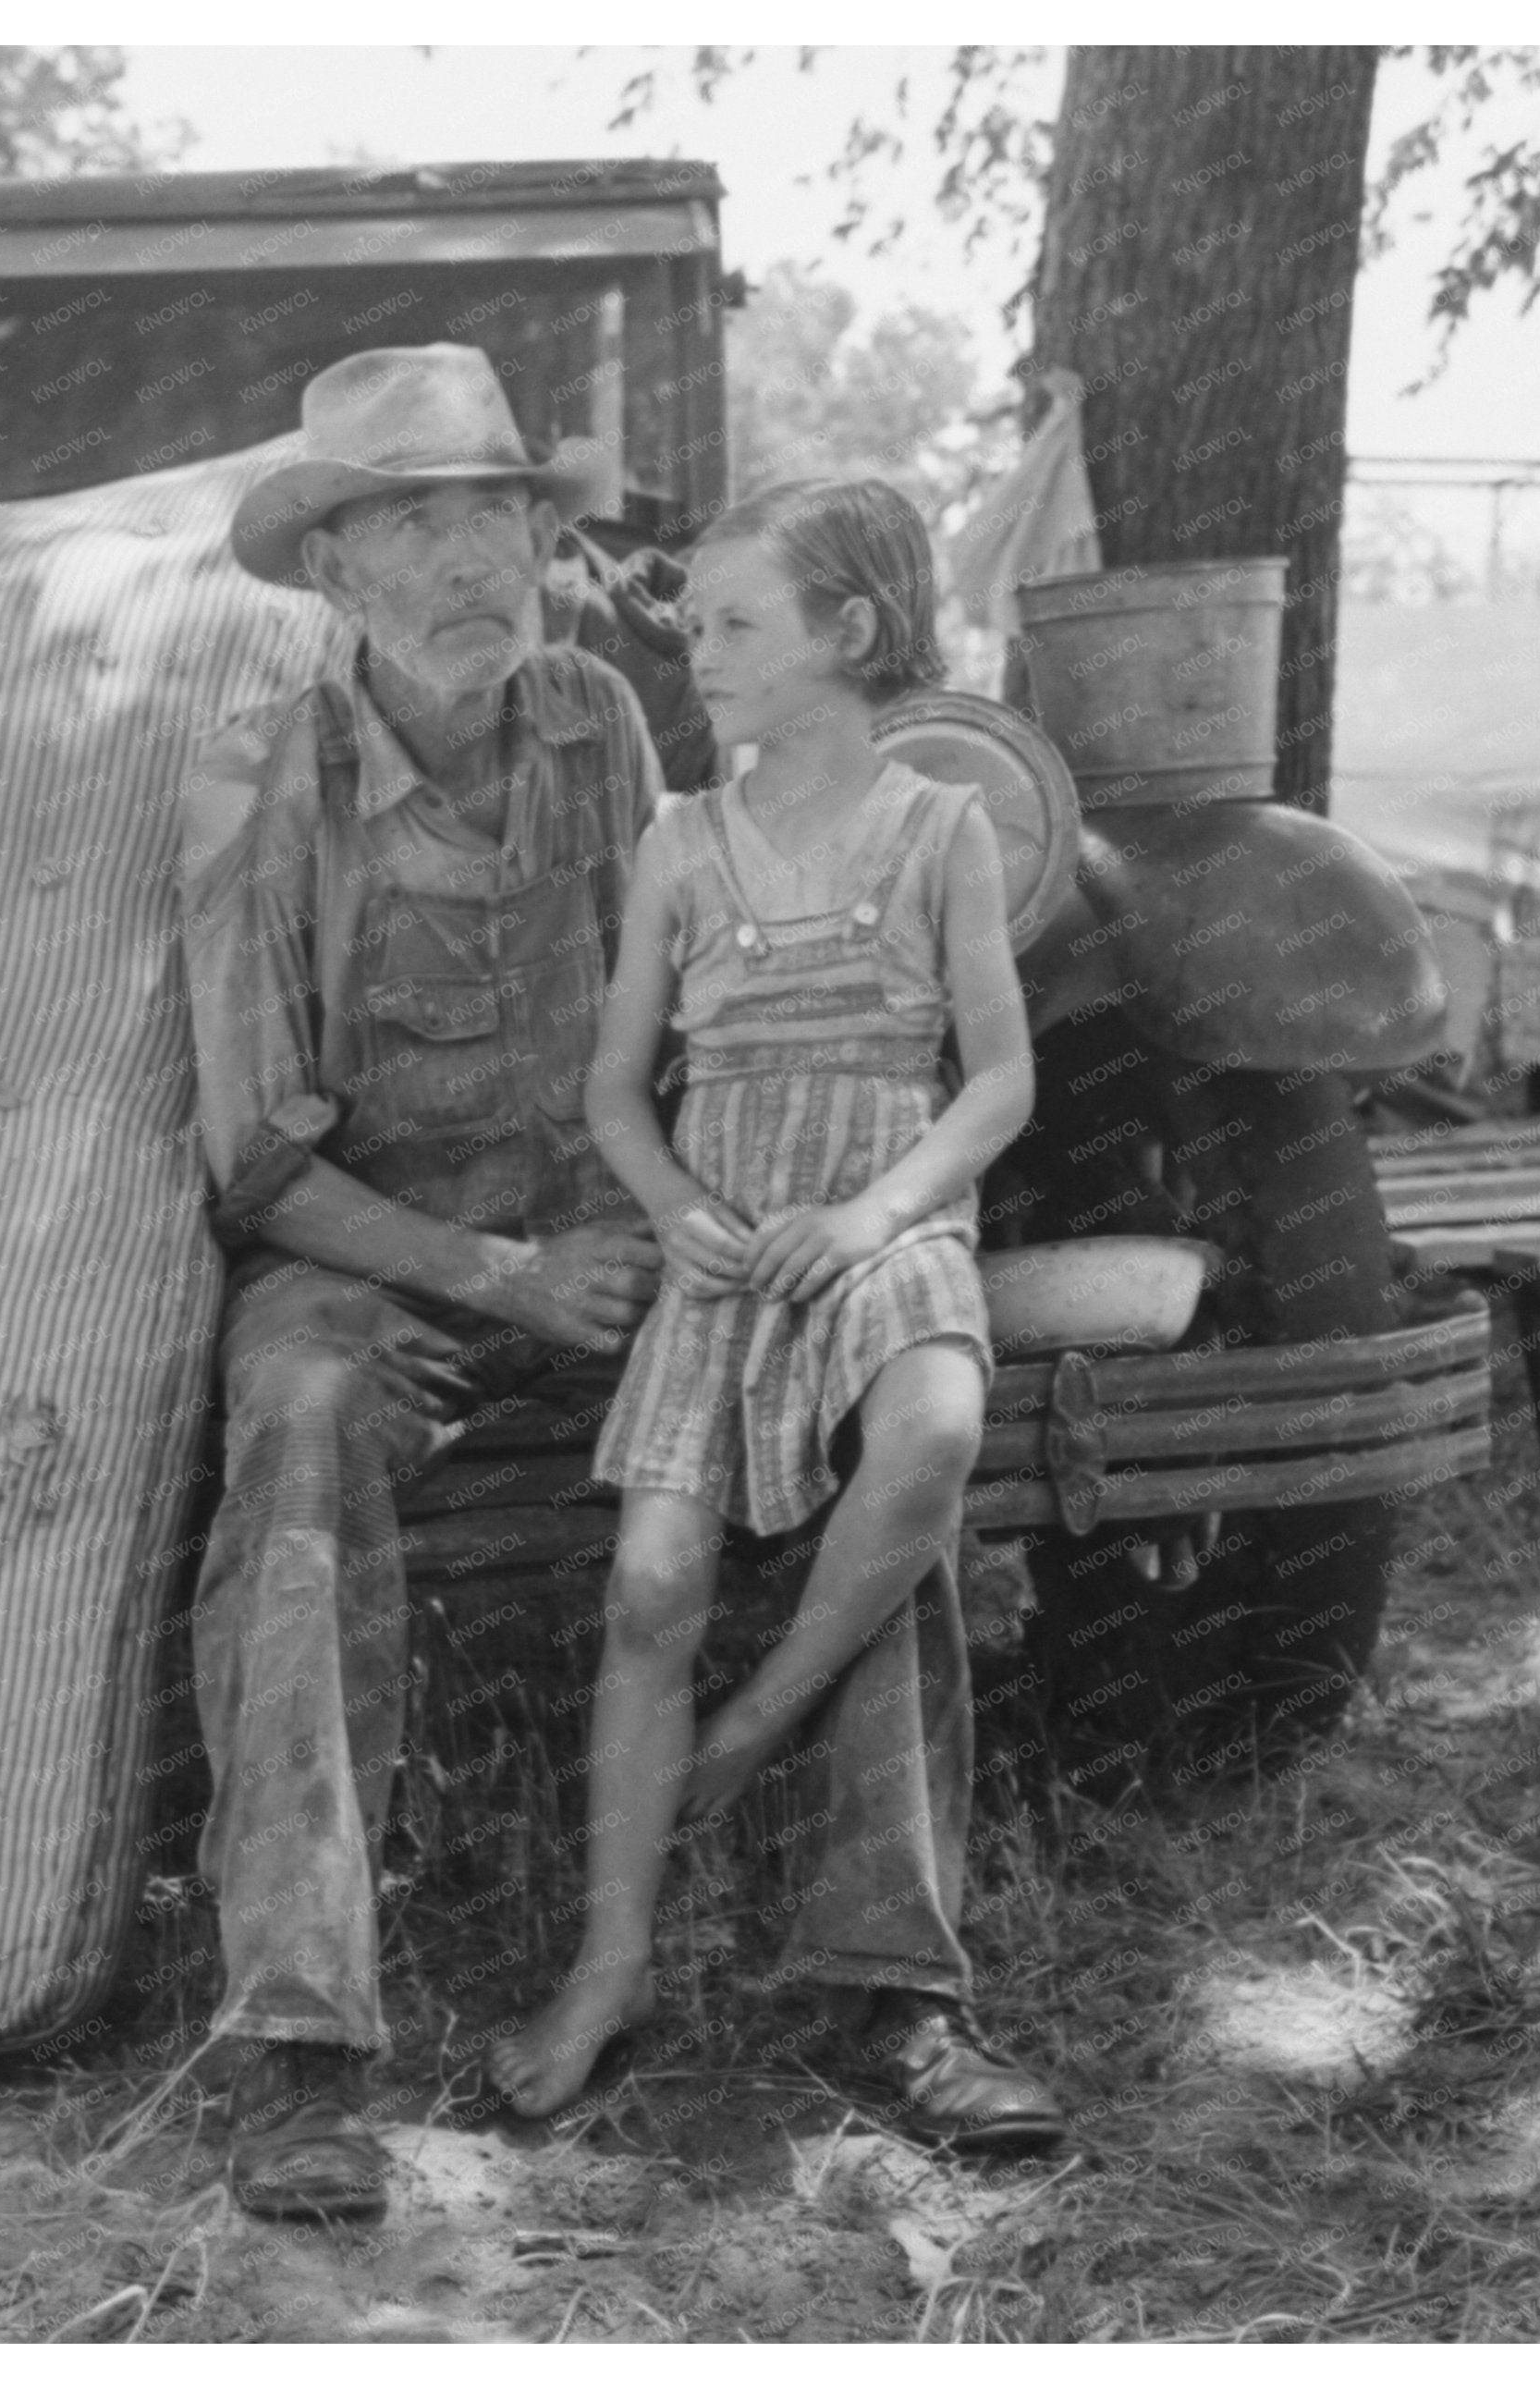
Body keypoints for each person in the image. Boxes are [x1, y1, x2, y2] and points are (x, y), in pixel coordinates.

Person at [485, 481, 1068, 2153]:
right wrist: (680, 1214)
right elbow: (615, 1093)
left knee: (935, 1429)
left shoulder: (940, 824)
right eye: (694, 623)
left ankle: (745, 1739)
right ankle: (610, 1961)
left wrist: (886, 1210)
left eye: (737, 624)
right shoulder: (681, 843)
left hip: (879, 1212)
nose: (699, 653)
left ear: (852, 638)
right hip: (734, 1231)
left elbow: (1000, 1076)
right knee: (651, 1579)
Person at [174, 345, 668, 2226]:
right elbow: (254, 1162)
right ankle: (300, 2047)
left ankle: (891, 1981)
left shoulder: (595, 719)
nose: (471, 564)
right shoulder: (261, 777)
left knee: (867, 1387)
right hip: (365, 1268)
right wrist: (495, 1272)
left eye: (497, 520)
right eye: (415, 526)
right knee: (291, 1436)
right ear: (337, 571)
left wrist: (656, 1235)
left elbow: (661, 1012)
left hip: (594, 1238)